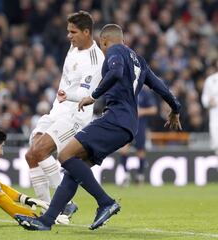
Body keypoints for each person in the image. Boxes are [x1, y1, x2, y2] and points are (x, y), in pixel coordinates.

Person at [15, 23, 182, 231]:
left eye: (102, 47)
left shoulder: (115, 50)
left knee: (65, 155)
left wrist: (93, 96)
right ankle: (46, 221)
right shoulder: (139, 61)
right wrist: (176, 108)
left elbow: (116, 71)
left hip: (115, 119)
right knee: (74, 170)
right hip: (129, 125)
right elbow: (161, 87)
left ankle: (105, 201)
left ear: (104, 41)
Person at [25, 10, 104, 218]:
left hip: (75, 116)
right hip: (56, 111)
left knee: (41, 150)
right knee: (31, 155)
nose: (69, 36)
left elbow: (87, 94)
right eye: (68, 31)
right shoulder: (73, 46)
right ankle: (51, 207)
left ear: (87, 32)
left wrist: (65, 93)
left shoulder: (96, 60)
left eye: (73, 32)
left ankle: (65, 203)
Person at [118, 86, 158, 186]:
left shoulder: (145, 93)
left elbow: (154, 109)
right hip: (126, 125)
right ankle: (126, 175)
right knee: (123, 149)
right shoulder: (126, 91)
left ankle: (140, 176)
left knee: (140, 151)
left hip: (140, 126)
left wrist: (141, 111)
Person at [201, 60, 218, 156]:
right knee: (216, 146)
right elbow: (204, 98)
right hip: (215, 118)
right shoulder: (210, 80)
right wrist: (208, 102)